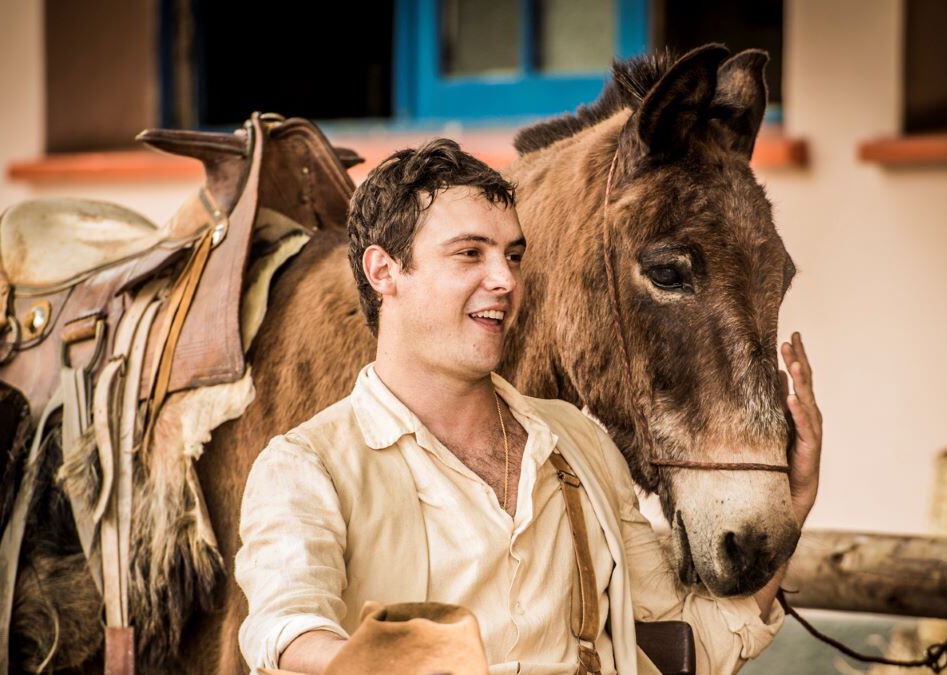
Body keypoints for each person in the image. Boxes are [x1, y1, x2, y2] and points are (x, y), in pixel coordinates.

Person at [235, 139, 822, 674]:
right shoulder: (306, 465)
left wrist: (792, 506)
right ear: (384, 271)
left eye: (513, 256)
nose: (505, 280)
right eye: (470, 253)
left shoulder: (579, 442)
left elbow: (697, 643)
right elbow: (286, 629)